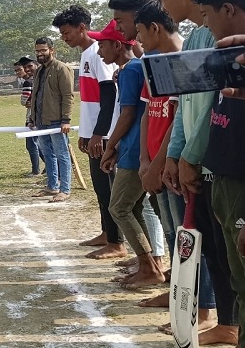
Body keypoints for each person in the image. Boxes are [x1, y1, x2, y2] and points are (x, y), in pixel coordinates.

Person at [144, 0, 227, 338]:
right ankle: (219, 319)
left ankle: (227, 323)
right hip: (193, 161)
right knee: (207, 245)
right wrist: (176, 154)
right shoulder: (195, 38)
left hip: (213, 161)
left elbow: (211, 106)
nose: (162, 7)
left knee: (223, 251)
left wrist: (191, 156)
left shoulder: (219, 35)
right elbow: (184, 108)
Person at [194, 0, 245, 346]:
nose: (206, 26)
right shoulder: (232, 58)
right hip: (228, 184)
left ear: (228, 10)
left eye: (208, 16)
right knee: (241, 287)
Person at [91, 20, 164, 290]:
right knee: (132, 206)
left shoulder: (132, 70)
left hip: (136, 149)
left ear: (118, 45)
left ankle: (150, 266)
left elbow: (129, 113)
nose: (99, 52)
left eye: (102, 45)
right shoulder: (129, 69)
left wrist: (112, 146)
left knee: (118, 206)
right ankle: (149, 263)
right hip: (133, 147)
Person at [53, 6, 124, 259]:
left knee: (108, 187)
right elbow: (89, 102)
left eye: (67, 32)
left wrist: (99, 134)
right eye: (61, 34)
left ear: (82, 27)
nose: (64, 38)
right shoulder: (85, 55)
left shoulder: (98, 53)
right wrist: (85, 132)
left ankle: (117, 242)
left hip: (105, 134)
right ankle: (107, 232)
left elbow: (108, 96)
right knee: (99, 187)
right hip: (94, 132)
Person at [28, 37, 74, 202]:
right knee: (48, 154)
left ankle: (65, 189)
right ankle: (52, 186)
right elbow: (36, 95)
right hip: (41, 121)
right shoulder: (40, 70)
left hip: (57, 121)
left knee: (62, 154)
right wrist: (32, 118)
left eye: (43, 50)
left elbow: (68, 96)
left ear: (52, 50)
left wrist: (66, 119)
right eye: (38, 51)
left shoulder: (62, 69)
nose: (40, 54)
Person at [14, 57, 43, 177]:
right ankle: (49, 167)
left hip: (32, 117)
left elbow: (24, 101)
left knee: (32, 144)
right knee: (39, 143)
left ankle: (36, 170)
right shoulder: (35, 80)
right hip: (38, 115)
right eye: (16, 71)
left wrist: (27, 102)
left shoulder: (28, 82)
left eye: (20, 69)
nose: (18, 73)